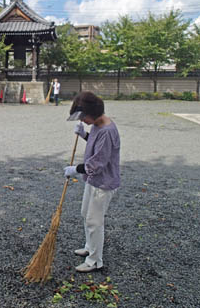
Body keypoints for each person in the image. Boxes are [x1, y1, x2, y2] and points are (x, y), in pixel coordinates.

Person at [64, 91, 120, 272]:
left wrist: (75, 169)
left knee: (94, 221)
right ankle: (90, 247)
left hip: (102, 183)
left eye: (83, 118)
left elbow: (98, 163)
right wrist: (85, 135)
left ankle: (95, 260)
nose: (83, 121)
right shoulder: (97, 124)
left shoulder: (107, 131)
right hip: (92, 181)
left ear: (92, 114)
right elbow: (96, 145)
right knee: (85, 214)